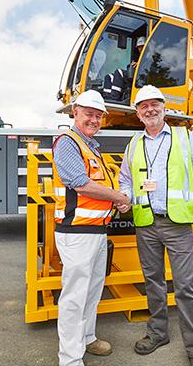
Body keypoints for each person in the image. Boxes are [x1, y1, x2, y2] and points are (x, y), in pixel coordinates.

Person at [118, 85, 193, 366]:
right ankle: (158, 332)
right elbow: (125, 178)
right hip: (146, 222)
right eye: (143, 106)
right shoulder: (134, 144)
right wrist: (125, 196)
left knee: (186, 286)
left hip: (177, 223)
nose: (150, 110)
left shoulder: (184, 137)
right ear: (137, 113)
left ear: (164, 107)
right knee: (153, 282)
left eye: (154, 104)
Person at [52, 90, 131, 366]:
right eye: (89, 114)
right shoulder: (67, 142)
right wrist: (118, 198)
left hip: (96, 232)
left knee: (92, 291)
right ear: (75, 112)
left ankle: (87, 338)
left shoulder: (91, 146)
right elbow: (80, 183)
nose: (94, 119)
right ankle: (70, 359)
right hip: (77, 233)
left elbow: (99, 187)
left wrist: (115, 201)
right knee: (74, 296)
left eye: (98, 116)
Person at [102, 36, 146, 104]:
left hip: (139, 79)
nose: (140, 48)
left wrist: (139, 65)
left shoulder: (149, 56)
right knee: (109, 77)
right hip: (133, 75)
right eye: (139, 47)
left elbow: (147, 69)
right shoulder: (138, 57)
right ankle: (107, 98)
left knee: (119, 72)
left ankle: (114, 98)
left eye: (142, 46)